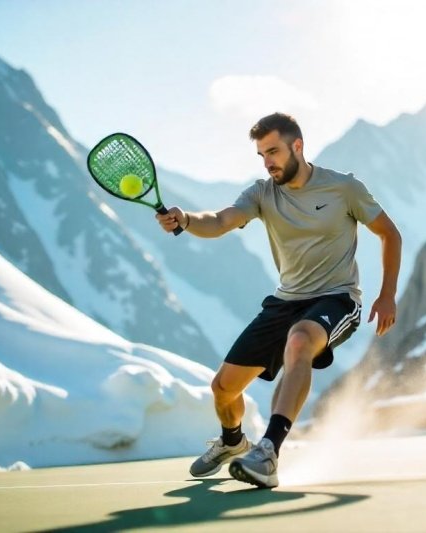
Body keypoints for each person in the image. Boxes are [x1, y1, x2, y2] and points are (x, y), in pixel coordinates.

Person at [156, 112, 402, 488]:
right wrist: (187, 219)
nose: (267, 161)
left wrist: (387, 295)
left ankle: (269, 451)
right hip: (285, 301)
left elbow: (390, 234)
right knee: (223, 389)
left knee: (300, 340)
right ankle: (233, 441)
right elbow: (221, 220)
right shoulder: (261, 193)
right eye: (261, 154)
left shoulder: (343, 188)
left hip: (337, 299)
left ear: (297, 147)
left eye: (273, 151)